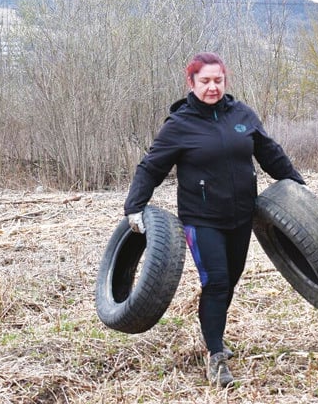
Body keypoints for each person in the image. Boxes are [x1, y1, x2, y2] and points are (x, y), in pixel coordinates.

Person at [123, 52, 305, 388]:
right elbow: (151, 167)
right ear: (190, 83)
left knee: (229, 280)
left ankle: (214, 335)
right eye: (205, 81)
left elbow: (270, 154)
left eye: (218, 80)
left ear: (226, 80)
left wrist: (299, 191)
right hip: (201, 218)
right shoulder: (179, 125)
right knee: (217, 281)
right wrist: (134, 207)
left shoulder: (242, 115)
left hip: (241, 216)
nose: (212, 87)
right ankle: (216, 355)